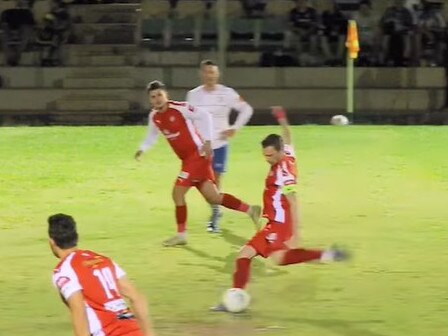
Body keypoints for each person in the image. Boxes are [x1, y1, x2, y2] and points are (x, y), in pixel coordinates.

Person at [212, 107, 348, 312]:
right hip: (276, 222)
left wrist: (295, 235)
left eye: (271, 155)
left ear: (279, 151)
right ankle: (327, 255)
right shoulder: (288, 154)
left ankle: (235, 297)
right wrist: (283, 119)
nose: (268, 159)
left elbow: (293, 201)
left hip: (279, 224)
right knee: (273, 258)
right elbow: (288, 136)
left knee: (246, 256)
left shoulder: (284, 172)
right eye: (265, 155)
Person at [135, 80, 261, 246]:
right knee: (214, 197)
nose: (157, 99)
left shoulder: (180, 108)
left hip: (197, 156)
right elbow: (151, 136)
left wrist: (208, 141)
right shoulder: (154, 116)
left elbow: (205, 116)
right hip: (188, 160)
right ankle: (250, 210)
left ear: (166, 95)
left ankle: (181, 235)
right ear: (150, 100)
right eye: (153, 96)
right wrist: (142, 149)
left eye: (160, 95)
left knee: (177, 193)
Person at [49, 213, 155, 336]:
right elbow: (136, 297)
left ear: (52, 242)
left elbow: (79, 310)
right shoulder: (104, 260)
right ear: (76, 238)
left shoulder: (63, 270)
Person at [187, 60, 253, 233]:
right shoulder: (193, 95)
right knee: (202, 183)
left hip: (220, 145)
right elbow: (188, 119)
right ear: (201, 74)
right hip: (201, 148)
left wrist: (235, 128)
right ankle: (216, 210)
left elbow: (247, 110)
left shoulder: (227, 93)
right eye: (206, 72)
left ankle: (215, 213)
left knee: (215, 183)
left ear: (217, 74)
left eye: (212, 72)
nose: (209, 75)